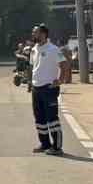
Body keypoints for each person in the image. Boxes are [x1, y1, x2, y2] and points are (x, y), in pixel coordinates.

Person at [28, 24, 66, 155]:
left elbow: (64, 65)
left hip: (49, 88)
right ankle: (44, 144)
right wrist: (30, 83)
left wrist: (60, 80)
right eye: (33, 32)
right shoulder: (34, 49)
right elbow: (33, 67)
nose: (33, 35)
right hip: (36, 88)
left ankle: (57, 147)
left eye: (35, 32)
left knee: (52, 118)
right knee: (39, 118)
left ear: (43, 34)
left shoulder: (53, 49)